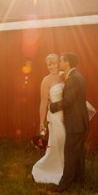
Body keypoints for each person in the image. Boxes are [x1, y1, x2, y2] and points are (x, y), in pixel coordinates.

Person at [49, 52, 89, 193]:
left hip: (75, 122)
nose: (59, 61)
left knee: (70, 152)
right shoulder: (73, 76)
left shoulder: (73, 78)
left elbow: (68, 101)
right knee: (78, 153)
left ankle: (63, 185)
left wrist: (52, 106)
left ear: (67, 62)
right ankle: (79, 179)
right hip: (79, 121)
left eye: (61, 60)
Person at [32, 53, 66, 185]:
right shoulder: (46, 81)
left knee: (66, 141)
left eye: (54, 63)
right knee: (58, 141)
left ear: (59, 63)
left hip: (66, 114)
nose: (52, 66)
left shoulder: (64, 76)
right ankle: (52, 168)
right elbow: (43, 102)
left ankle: (66, 168)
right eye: (49, 64)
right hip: (54, 116)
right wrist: (42, 123)